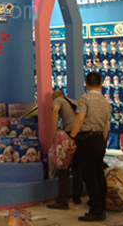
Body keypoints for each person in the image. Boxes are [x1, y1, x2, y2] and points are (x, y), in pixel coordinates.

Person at [70, 72, 112, 222]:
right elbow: (106, 126)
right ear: (101, 85)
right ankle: (102, 205)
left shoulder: (85, 99)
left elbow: (80, 119)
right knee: (99, 173)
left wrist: (72, 137)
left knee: (90, 175)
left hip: (88, 139)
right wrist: (102, 141)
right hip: (100, 139)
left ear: (86, 84)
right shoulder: (106, 103)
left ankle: (95, 210)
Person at [47, 89, 83, 210]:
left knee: (63, 166)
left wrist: (55, 129)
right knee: (77, 166)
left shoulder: (58, 100)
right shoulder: (73, 101)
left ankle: (63, 201)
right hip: (81, 135)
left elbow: (55, 111)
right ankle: (77, 197)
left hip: (70, 134)